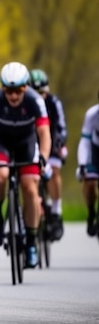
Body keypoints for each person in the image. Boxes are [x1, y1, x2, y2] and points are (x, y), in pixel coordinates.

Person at [0, 61, 52, 269]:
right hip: (0, 143)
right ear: (2, 89)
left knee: (30, 187)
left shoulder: (35, 100)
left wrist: (43, 156)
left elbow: (44, 133)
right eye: (9, 91)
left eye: (18, 91)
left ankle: (31, 242)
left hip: (27, 142)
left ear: (26, 88)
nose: (14, 96)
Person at [29, 69, 67, 240]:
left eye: (42, 93)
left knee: (54, 170)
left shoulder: (54, 102)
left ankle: (56, 211)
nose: (39, 97)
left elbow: (60, 125)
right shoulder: (26, 103)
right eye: (35, 93)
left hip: (51, 142)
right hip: (31, 143)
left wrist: (59, 143)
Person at [75, 92, 99, 237]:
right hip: (95, 151)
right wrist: (82, 163)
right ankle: (91, 212)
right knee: (89, 183)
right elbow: (84, 141)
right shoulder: (92, 114)